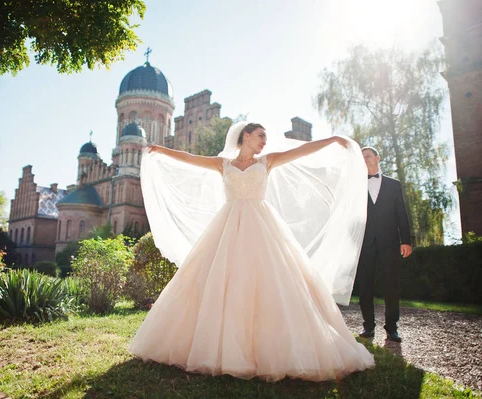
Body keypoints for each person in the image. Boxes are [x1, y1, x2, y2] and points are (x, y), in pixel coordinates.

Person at [128, 122, 374, 382]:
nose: (264, 141)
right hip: (226, 229)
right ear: (245, 136)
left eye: (265, 137)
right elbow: (189, 159)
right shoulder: (222, 164)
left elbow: (303, 151)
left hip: (262, 227)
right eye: (260, 136)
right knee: (215, 281)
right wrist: (161, 151)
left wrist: (333, 140)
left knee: (273, 283)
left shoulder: (267, 161)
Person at [357, 147, 412, 343]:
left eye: (368, 155)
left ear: (378, 157)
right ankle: (368, 326)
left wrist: (405, 240)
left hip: (389, 242)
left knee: (391, 285)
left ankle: (392, 328)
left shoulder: (394, 185)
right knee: (365, 285)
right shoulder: (354, 187)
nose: (365, 159)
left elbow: (402, 214)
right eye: (361, 157)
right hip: (364, 243)